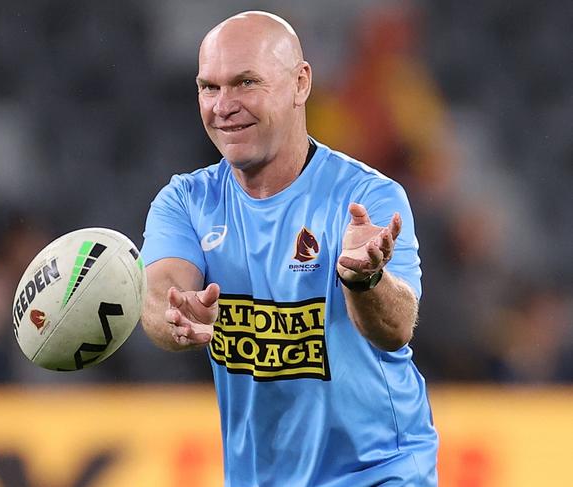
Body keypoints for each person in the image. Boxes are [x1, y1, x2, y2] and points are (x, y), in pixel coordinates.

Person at [140, 11, 438, 486]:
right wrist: (176, 314)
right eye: (209, 87)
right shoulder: (186, 201)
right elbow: (160, 292)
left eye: (245, 83)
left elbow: (396, 328)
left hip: (378, 472)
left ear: (300, 84)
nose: (223, 106)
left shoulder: (368, 198)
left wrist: (366, 280)